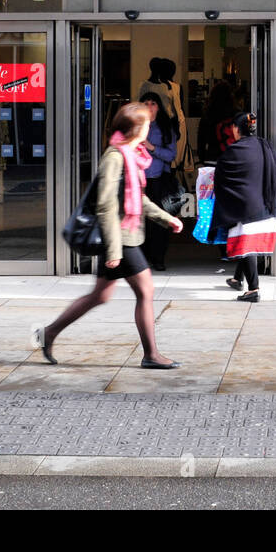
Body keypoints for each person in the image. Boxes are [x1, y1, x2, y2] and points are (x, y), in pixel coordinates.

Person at [36, 102, 183, 368]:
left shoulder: (132, 153)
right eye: (146, 123)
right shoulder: (115, 157)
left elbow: (137, 198)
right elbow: (106, 205)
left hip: (124, 236)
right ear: (137, 127)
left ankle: (48, 333)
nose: (150, 126)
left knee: (100, 296)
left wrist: (166, 218)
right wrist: (114, 251)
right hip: (120, 238)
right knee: (146, 291)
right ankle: (151, 355)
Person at [212, 111, 276, 303]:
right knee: (246, 245)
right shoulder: (265, 146)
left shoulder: (234, 151)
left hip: (247, 208)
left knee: (246, 245)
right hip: (268, 204)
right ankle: (237, 278)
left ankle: (254, 289)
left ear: (236, 129)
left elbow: (223, 178)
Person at [139, 94, 178, 272]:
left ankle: (158, 258)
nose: (149, 106)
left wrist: (152, 148)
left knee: (159, 221)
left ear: (159, 107)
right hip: (138, 179)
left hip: (159, 179)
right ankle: (141, 258)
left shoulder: (165, 127)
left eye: (153, 103)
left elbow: (171, 155)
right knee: (139, 220)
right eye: (145, 103)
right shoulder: (136, 125)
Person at [197, 80, 238, 164]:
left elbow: (201, 139)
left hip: (212, 156)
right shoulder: (236, 113)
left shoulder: (208, 114)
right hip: (232, 156)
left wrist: (202, 157)